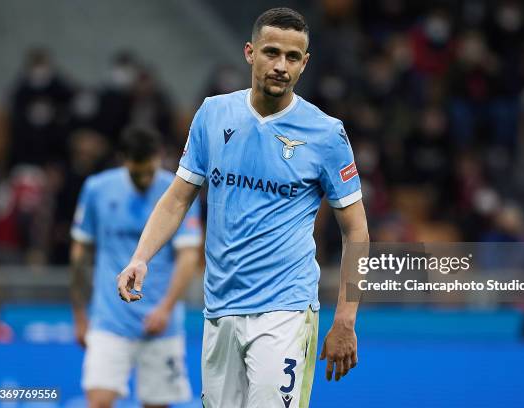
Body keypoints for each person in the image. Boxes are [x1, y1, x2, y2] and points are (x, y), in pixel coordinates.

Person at [117, 7, 369, 408]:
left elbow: (356, 230)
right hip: (219, 308)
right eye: (271, 53)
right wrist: (141, 257)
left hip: (284, 310)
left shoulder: (326, 134)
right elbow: (179, 196)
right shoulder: (213, 114)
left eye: (292, 57)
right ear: (250, 52)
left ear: (305, 64)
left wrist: (345, 319)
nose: (281, 66)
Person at [71, 126, 202, 408]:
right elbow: (81, 252)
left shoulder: (179, 191)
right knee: (98, 401)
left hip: (160, 323)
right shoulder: (97, 189)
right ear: (124, 160)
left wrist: (166, 308)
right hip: (109, 319)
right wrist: (80, 314)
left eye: (149, 171)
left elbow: (189, 256)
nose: (144, 178)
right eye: (136, 171)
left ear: (160, 157)